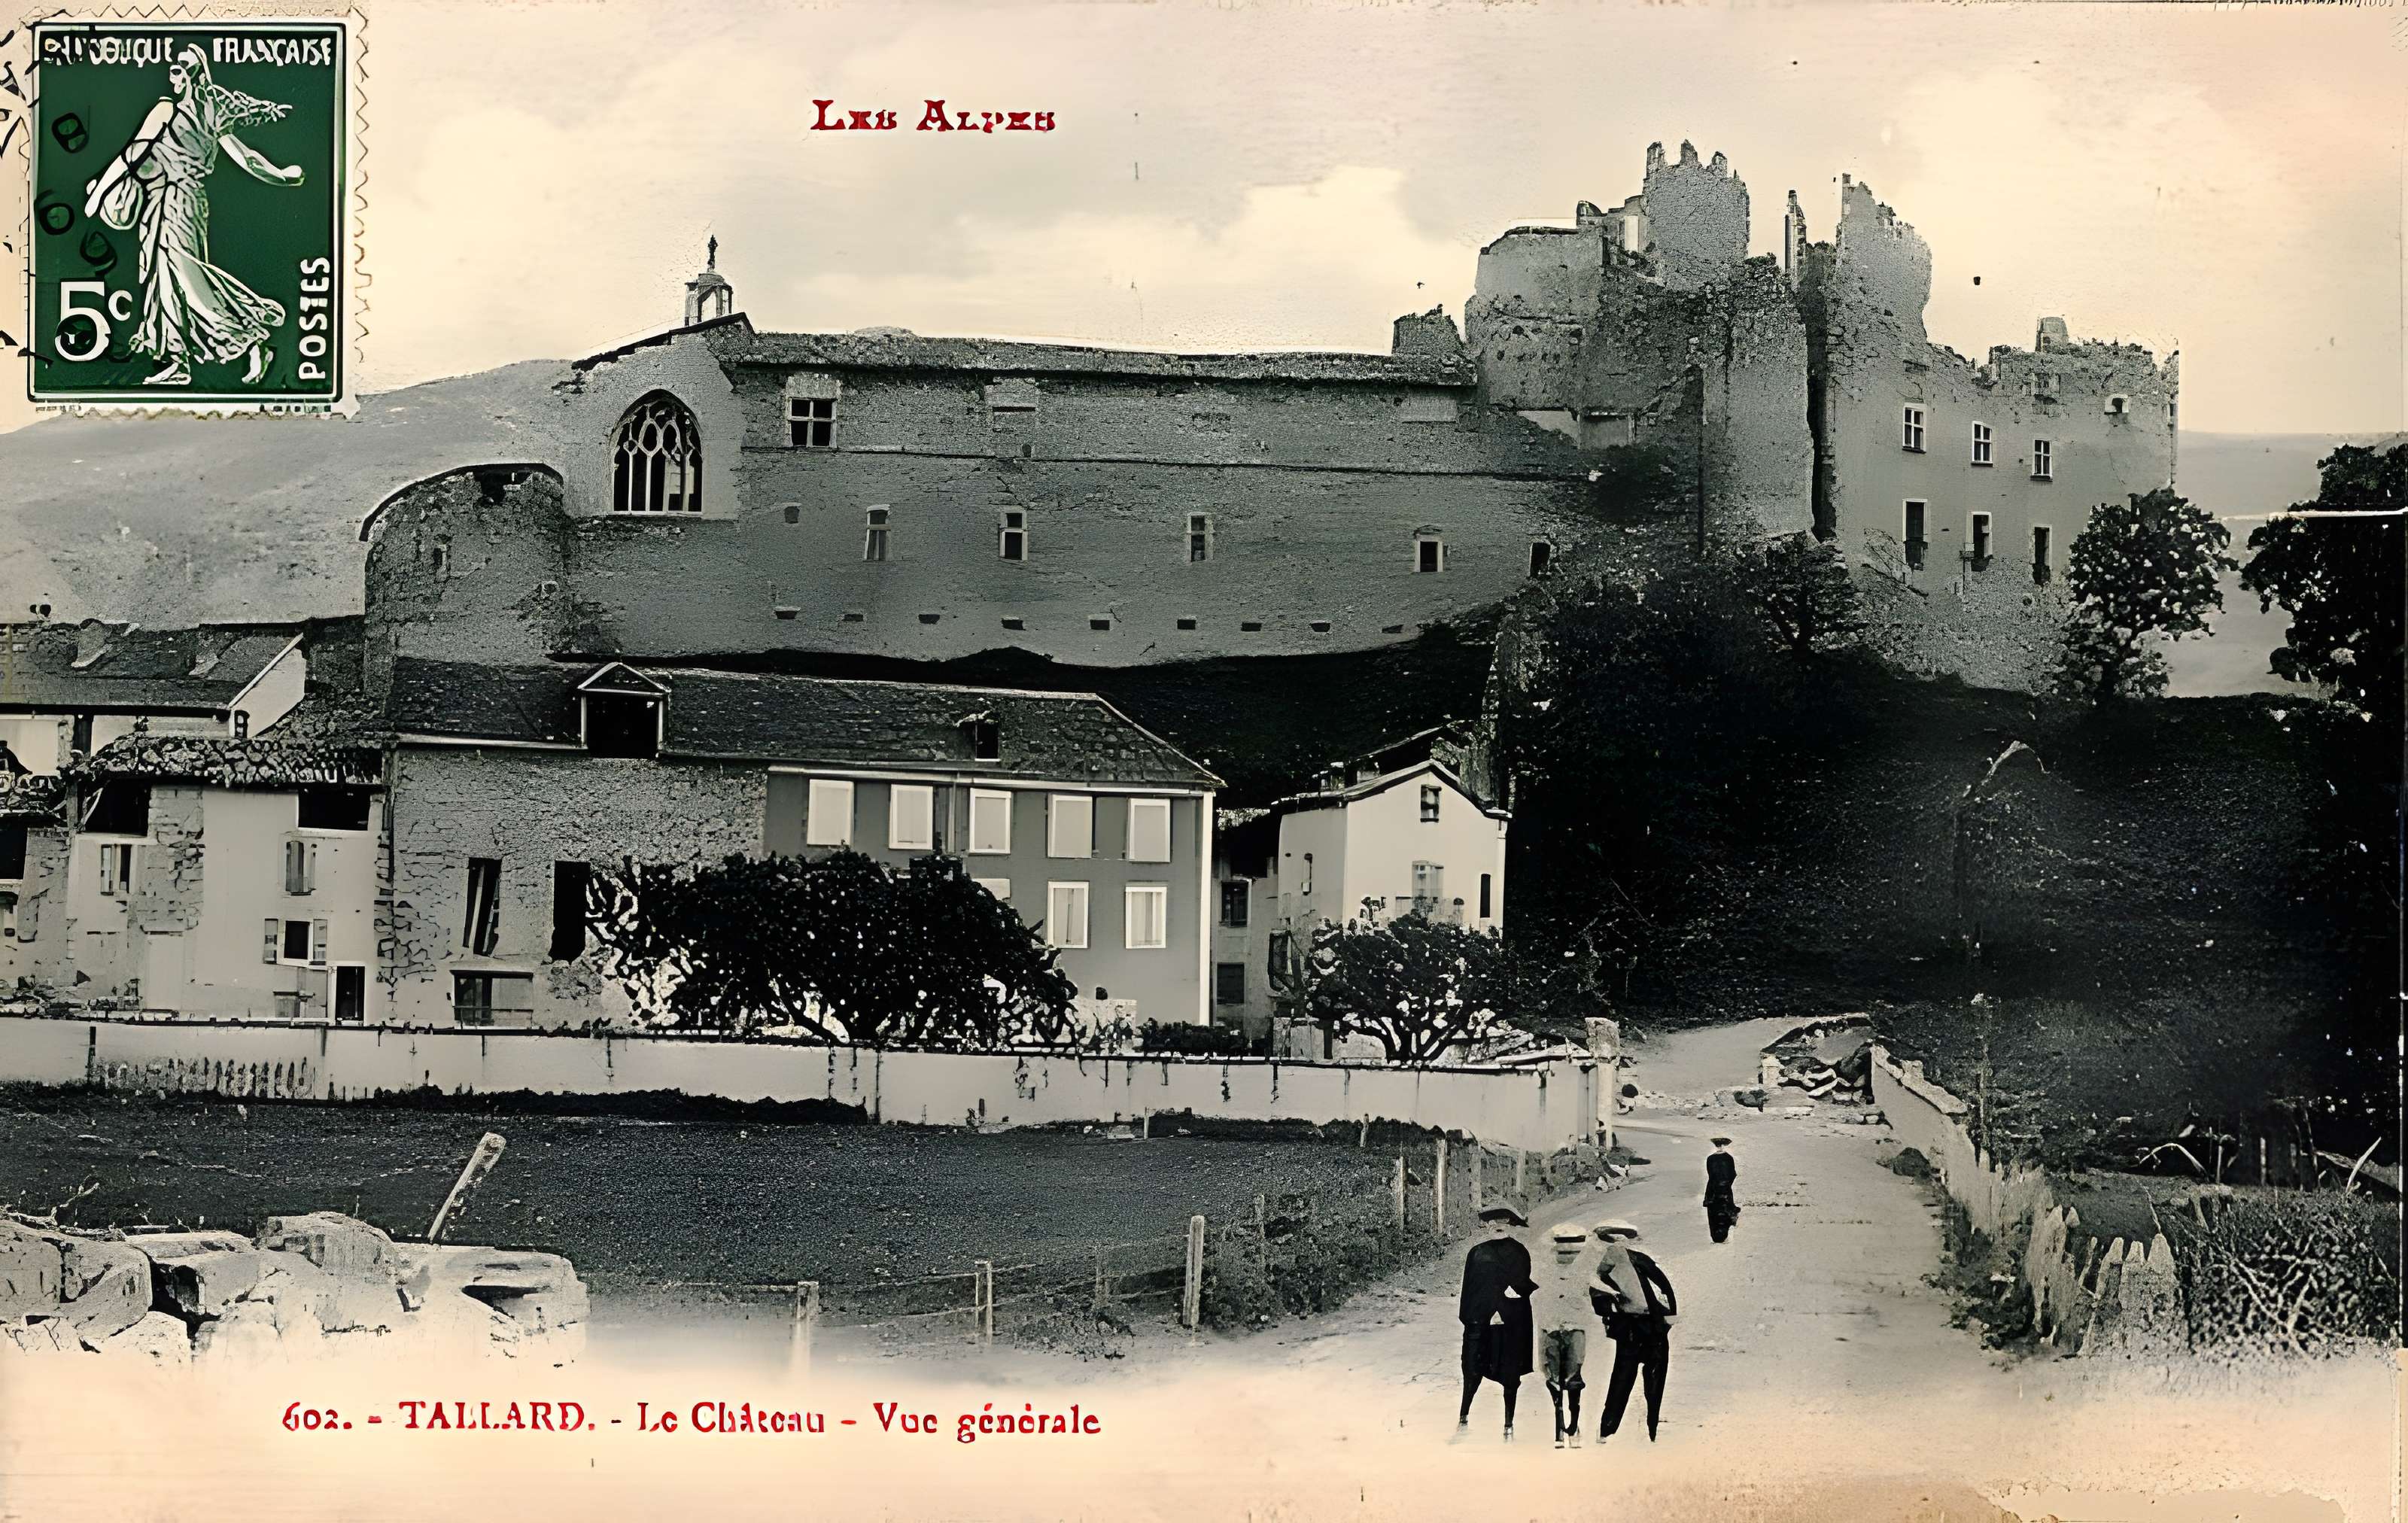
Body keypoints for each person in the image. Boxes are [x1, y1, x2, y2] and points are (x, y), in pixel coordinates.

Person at [80, 44, 304, 387]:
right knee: (165, 282)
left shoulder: (172, 111)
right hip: (173, 204)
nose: (174, 75)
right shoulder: (197, 113)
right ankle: (178, 361)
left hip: (177, 202)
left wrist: (98, 194)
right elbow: (246, 159)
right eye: (173, 69)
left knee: (188, 280)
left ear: (194, 76)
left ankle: (251, 339)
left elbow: (133, 156)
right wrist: (282, 175)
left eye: (181, 69)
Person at [1589, 1218, 1677, 1443]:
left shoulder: (1630, 1260)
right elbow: (1599, 1296)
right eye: (1613, 1240)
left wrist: (1666, 1317)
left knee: (1637, 1381)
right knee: (1634, 1381)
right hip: (1642, 1328)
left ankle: (1636, 1430)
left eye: (1620, 1239)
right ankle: (1622, 1430)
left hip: (1644, 1328)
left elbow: (1662, 1287)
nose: (1617, 1244)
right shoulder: (1617, 1264)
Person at [1455, 1205, 1536, 1441]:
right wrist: (1471, 1319)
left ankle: (1508, 1424)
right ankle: (1463, 1415)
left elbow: (1520, 1288)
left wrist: (1502, 1310)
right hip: (1478, 1322)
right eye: (1492, 1221)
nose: (1496, 1225)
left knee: (1509, 1375)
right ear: (1487, 1226)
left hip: (1507, 1324)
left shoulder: (1519, 1252)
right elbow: (1467, 1290)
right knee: (1472, 1369)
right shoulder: (1476, 1253)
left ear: (1510, 1225)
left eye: (1502, 1221)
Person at [1530, 1224, 1596, 1449]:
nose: (1567, 1257)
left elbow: (1592, 1297)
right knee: (1553, 1377)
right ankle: (1559, 1423)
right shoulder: (1545, 1271)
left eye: (1572, 1253)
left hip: (1575, 1328)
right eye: (1563, 1252)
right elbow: (1538, 1300)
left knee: (1574, 1377)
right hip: (1551, 1330)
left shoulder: (1585, 1271)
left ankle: (1575, 1423)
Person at [1704, 1136, 1740, 1243]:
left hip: (1713, 1189)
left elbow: (1710, 1173)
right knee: (1723, 1213)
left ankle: (1717, 1236)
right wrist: (1727, 1184)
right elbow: (1732, 1174)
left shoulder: (1710, 1159)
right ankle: (1720, 1236)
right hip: (1724, 1189)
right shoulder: (1728, 1158)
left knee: (1714, 1213)